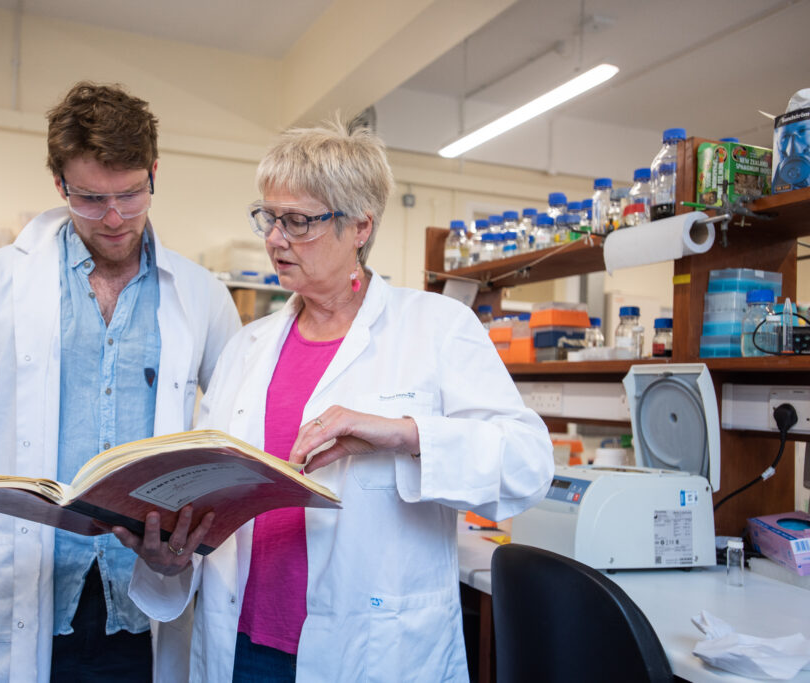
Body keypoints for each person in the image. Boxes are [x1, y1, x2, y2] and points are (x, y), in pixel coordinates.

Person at [115, 118, 554, 681]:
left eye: (298, 221)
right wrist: (170, 553)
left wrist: (405, 433)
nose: (275, 238)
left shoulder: (438, 327)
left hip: (373, 650)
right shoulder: (247, 348)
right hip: (241, 645)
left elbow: (528, 465)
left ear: (360, 227)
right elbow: (211, 496)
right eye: (269, 218)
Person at [0, 81, 241, 683]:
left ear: (154, 173)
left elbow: (236, 432)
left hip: (145, 594)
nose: (114, 218)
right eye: (90, 198)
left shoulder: (201, 295)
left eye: (131, 195)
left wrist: (194, 531)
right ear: (59, 185)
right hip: (24, 584)